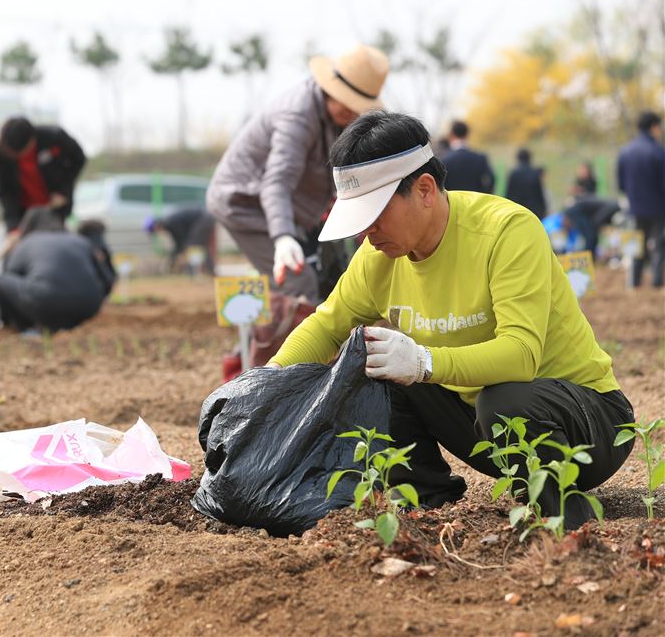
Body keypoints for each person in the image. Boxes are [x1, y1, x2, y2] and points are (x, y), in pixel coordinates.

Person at [267, 111, 633, 529]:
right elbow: (326, 325)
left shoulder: (507, 231)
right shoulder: (378, 255)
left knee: (502, 399)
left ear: (424, 190)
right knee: (373, 370)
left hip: (588, 429)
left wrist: (424, 362)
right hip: (488, 428)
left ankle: (567, 522)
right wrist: (266, 382)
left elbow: (521, 355)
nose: (365, 233)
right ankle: (426, 508)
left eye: (376, 215)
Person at [206, 44, 390, 300]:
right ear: (330, 89)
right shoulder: (297, 117)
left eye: (358, 106)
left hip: (290, 210)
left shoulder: (335, 117)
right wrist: (282, 238)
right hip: (244, 203)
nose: (353, 112)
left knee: (327, 275)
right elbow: (277, 182)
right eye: (348, 103)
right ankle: (290, 339)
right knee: (297, 279)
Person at [0, 208, 115, 335]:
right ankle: (65, 323)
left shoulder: (27, 242)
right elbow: (108, 279)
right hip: (88, 306)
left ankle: (22, 326)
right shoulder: (80, 241)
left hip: (46, 304)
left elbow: (11, 275)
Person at [0, 117, 87, 233]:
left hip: (54, 209)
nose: (14, 156)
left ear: (32, 141)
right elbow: (5, 191)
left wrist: (63, 190)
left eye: (18, 153)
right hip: (23, 214)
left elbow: (79, 158)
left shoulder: (54, 137)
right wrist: (12, 224)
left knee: (53, 242)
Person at [617, 111, 665, 288]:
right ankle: (656, 281)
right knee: (659, 244)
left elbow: (621, 184)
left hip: (634, 207)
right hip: (659, 208)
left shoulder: (625, 151)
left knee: (635, 244)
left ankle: (633, 281)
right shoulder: (658, 152)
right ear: (653, 127)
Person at [144, 208, 216, 275]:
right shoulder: (169, 224)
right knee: (194, 244)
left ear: (156, 226)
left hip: (203, 218)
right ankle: (202, 269)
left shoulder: (171, 223)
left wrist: (172, 257)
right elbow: (179, 243)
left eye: (154, 231)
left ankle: (198, 271)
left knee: (193, 245)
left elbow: (182, 241)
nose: (157, 233)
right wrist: (172, 256)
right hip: (204, 218)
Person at [439, 120, 494, 194]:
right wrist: (483, 194)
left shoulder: (444, 160)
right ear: (467, 134)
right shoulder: (480, 158)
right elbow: (491, 179)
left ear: (451, 135)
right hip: (475, 201)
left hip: (453, 203)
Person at [504, 148, 547, 219]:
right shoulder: (534, 173)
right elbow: (539, 193)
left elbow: (509, 193)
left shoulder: (514, 173)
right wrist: (543, 209)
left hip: (517, 209)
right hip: (533, 210)